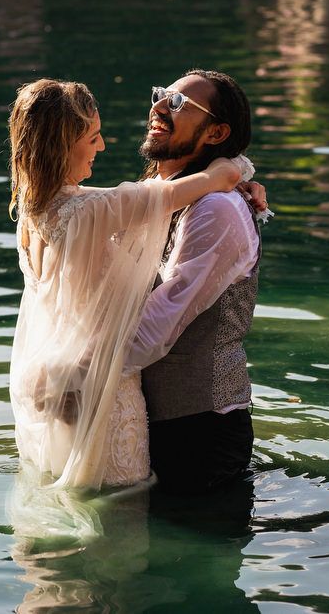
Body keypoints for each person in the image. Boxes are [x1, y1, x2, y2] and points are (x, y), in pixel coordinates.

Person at [7, 78, 250, 491]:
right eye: (93, 137)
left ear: (216, 132)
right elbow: (157, 196)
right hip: (97, 391)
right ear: (62, 146)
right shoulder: (93, 208)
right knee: (121, 520)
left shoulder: (40, 210)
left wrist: (234, 180)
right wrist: (233, 171)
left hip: (74, 385)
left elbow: (154, 195)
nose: (101, 147)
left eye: (176, 102)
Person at [125, 69, 267, 493]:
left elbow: (160, 324)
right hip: (146, 418)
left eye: (179, 104)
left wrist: (80, 378)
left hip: (200, 430)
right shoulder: (155, 190)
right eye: (161, 94)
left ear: (216, 132)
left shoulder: (216, 210)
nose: (159, 107)